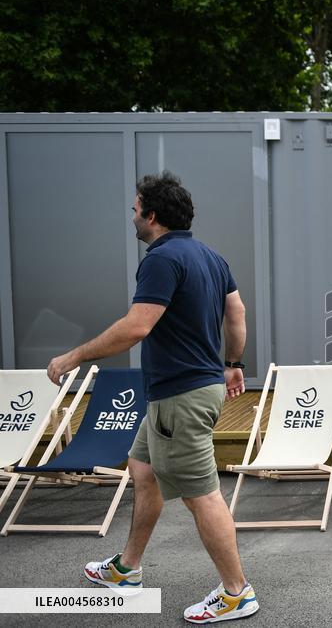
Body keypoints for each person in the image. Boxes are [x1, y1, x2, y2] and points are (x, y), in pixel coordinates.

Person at [46, 171, 259, 624]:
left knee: (202, 495)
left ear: (152, 215)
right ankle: (127, 569)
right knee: (144, 471)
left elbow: (137, 326)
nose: (134, 215)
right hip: (190, 391)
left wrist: (74, 357)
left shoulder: (162, 258)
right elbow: (236, 311)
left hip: (180, 397)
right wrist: (234, 363)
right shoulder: (210, 256)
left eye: (136, 208)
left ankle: (237, 592)